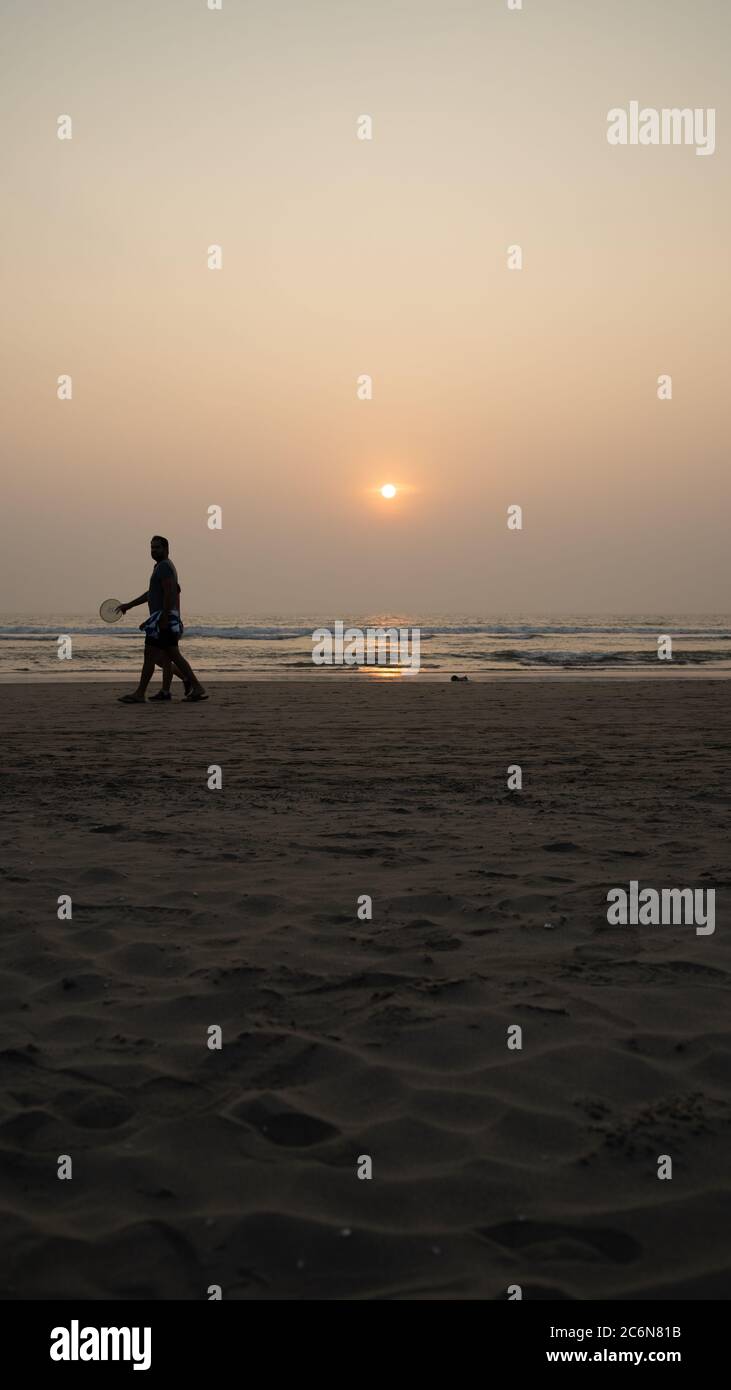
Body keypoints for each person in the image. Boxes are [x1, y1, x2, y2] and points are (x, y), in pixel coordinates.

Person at [116, 535, 208, 704]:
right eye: (152, 548)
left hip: (163, 618)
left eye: (157, 547)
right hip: (163, 617)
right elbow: (152, 593)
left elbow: (170, 593)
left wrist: (163, 617)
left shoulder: (165, 567)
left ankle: (140, 693)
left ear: (166, 549)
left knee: (154, 656)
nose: (153, 551)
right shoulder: (160, 567)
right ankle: (191, 687)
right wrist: (129, 605)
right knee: (170, 656)